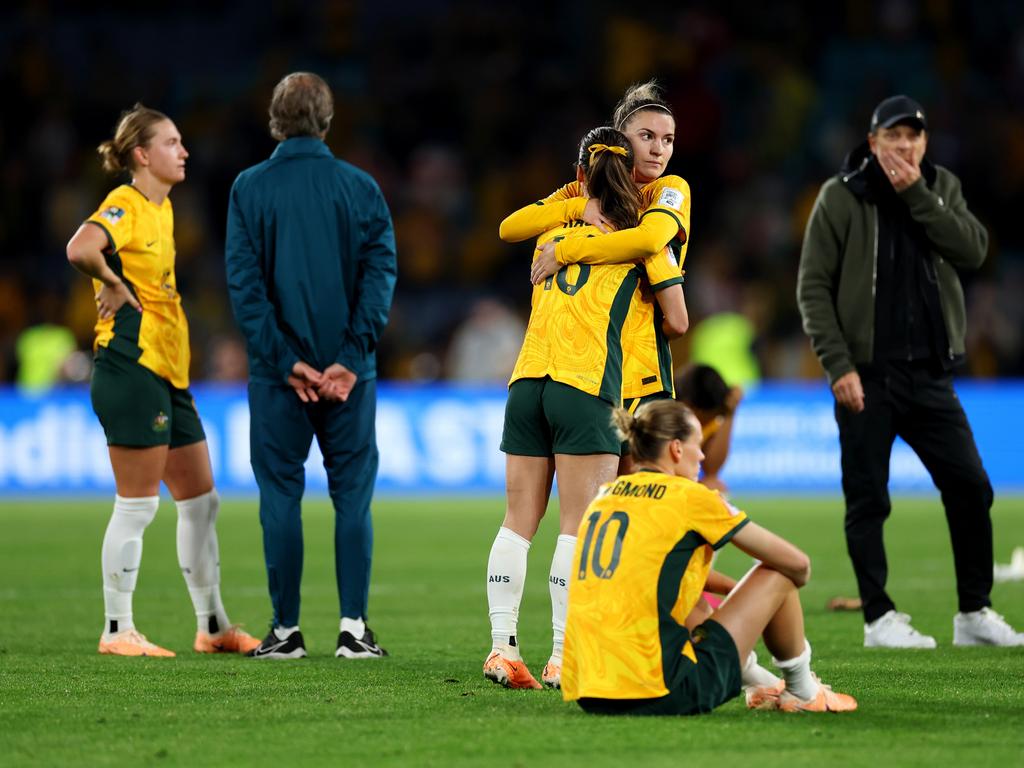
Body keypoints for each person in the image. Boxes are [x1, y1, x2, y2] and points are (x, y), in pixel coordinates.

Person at [797, 95, 1024, 648]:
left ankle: (974, 613)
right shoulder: (841, 196)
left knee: (971, 487)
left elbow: (973, 251)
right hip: (866, 378)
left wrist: (916, 195)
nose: (905, 146)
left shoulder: (940, 187)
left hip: (929, 375)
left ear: (924, 144)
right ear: (872, 142)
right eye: (893, 137)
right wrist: (838, 365)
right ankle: (879, 618)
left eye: (914, 137)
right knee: (868, 499)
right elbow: (812, 288)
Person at [485, 126, 687, 690]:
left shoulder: (551, 229)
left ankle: (503, 649)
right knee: (578, 526)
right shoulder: (643, 238)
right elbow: (678, 319)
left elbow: (507, 226)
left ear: (579, 176)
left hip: (527, 381)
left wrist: (572, 209)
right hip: (587, 384)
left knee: (517, 522)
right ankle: (559, 656)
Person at [66, 104, 260, 657]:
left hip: (168, 374)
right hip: (130, 367)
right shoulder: (125, 204)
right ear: (141, 155)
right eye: (172, 142)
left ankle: (213, 626)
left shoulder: (164, 208)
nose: (185, 151)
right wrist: (107, 278)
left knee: (201, 501)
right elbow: (80, 247)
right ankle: (116, 630)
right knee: (139, 505)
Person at [225, 72, 397, 660]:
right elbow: (380, 278)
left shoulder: (249, 189)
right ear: (327, 119)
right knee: (352, 496)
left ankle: (285, 631)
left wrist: (286, 361)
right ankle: (354, 628)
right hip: (353, 379)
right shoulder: (362, 189)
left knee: (280, 495)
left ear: (275, 118)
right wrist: (349, 359)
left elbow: (245, 289)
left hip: (279, 381)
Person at [562, 399, 857, 715]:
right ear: (676, 449)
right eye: (698, 444)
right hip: (659, 690)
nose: (702, 456)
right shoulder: (690, 497)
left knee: (679, 597)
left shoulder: (605, 496)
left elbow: (647, 575)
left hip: (589, 690)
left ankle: (760, 682)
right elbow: (798, 564)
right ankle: (803, 691)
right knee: (777, 573)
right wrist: (760, 602)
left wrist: (736, 596)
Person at [674, 363, 743, 494]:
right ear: (691, 407)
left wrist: (730, 413)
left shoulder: (703, 419)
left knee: (714, 486)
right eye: (712, 416)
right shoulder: (662, 421)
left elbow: (712, 469)